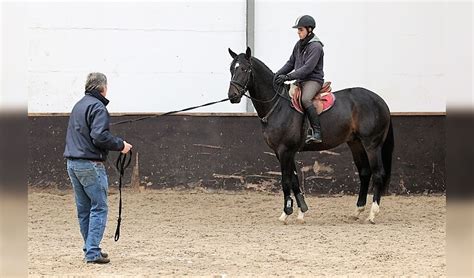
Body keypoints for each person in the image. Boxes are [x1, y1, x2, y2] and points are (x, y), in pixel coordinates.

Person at [64, 72, 132, 264]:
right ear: (104, 88)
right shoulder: (98, 107)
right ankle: (92, 252)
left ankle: (90, 248)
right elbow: (99, 136)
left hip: (73, 163)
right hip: (90, 164)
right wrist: (121, 145)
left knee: (84, 209)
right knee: (99, 207)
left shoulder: (79, 105)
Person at [274, 15, 325, 144]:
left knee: (305, 99)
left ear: (309, 30)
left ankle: (317, 132)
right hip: (300, 80)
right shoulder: (299, 44)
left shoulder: (316, 47)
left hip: (313, 80)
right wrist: (276, 75)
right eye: (298, 30)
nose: (298, 32)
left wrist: (288, 77)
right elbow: (291, 63)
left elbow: (307, 68)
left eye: (300, 29)